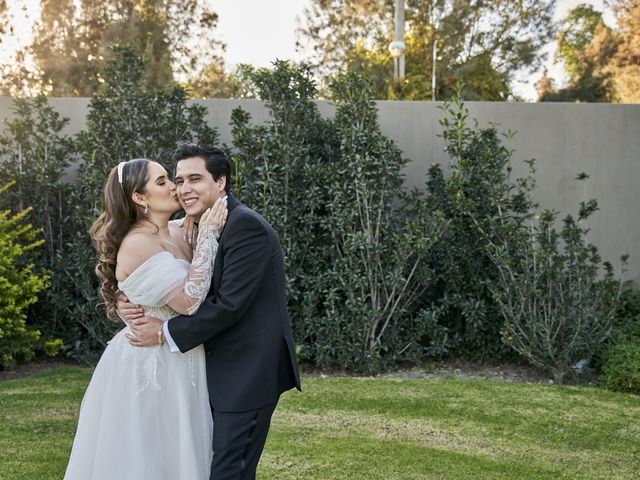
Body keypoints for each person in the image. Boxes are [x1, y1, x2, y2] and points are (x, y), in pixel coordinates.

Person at [121, 144, 301, 480]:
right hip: (209, 371)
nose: (184, 188)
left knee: (229, 470)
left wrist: (163, 332)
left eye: (195, 179)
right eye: (178, 181)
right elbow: (151, 270)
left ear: (220, 182)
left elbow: (228, 306)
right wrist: (127, 297)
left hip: (245, 372)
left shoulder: (245, 227)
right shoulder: (195, 226)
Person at [64, 158, 228, 479]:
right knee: (150, 455)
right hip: (149, 367)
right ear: (140, 198)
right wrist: (209, 235)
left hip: (183, 358)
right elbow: (188, 301)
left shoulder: (180, 230)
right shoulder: (139, 243)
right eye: (163, 181)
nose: (174, 187)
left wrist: (199, 229)